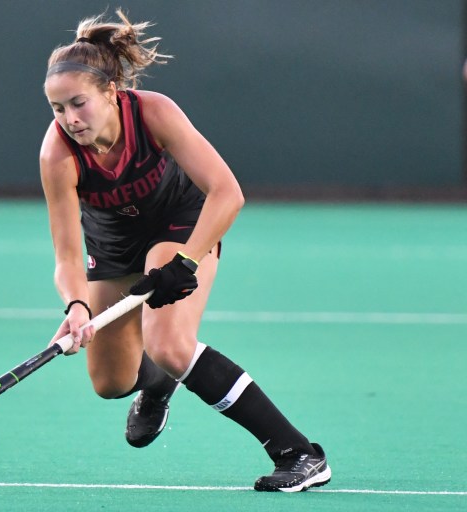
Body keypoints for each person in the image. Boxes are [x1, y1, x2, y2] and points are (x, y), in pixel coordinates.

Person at [40, 10, 331, 492]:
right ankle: (157, 383)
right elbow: (68, 255)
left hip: (180, 222)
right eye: (57, 108)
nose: (70, 119)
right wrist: (75, 306)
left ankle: (299, 453)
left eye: (79, 103)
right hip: (113, 242)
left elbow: (226, 191)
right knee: (110, 382)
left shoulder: (153, 112)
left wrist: (186, 261)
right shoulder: (57, 156)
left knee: (171, 343)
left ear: (111, 92)